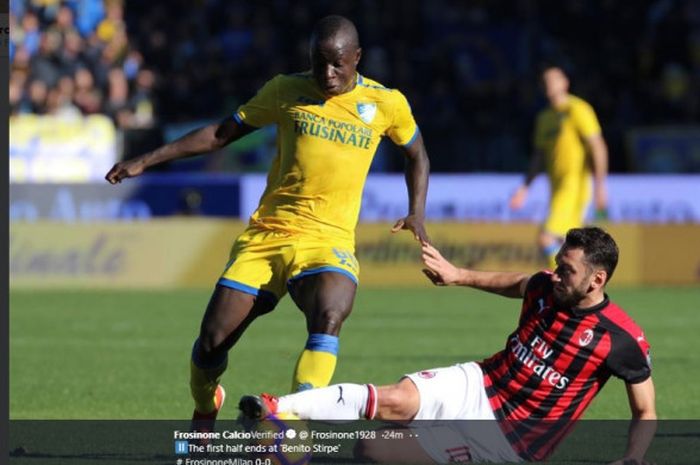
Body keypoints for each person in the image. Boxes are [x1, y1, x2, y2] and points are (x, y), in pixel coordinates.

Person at [105, 15, 430, 430]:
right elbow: (222, 134)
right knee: (210, 346)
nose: (327, 74)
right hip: (267, 236)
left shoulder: (387, 104)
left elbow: (417, 154)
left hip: (327, 240)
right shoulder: (285, 90)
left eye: (337, 64)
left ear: (358, 58)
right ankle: (207, 404)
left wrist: (417, 209)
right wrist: (146, 160)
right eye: (319, 63)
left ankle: (291, 423)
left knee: (331, 313)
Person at [239, 227, 656, 464]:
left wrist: (633, 458)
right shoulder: (547, 288)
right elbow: (518, 282)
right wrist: (457, 275)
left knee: (372, 450)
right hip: (479, 382)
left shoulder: (621, 340)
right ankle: (278, 408)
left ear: (596, 280)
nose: (555, 273)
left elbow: (645, 411)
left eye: (566, 269)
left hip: (508, 442)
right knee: (397, 399)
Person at [510, 65, 609, 269]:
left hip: (574, 186)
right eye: (545, 81)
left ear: (565, 83)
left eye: (554, 79)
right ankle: (578, 283)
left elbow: (597, 146)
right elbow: (539, 157)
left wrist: (600, 185)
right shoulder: (544, 118)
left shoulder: (578, 109)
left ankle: (561, 280)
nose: (549, 84)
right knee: (572, 245)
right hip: (556, 188)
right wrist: (525, 187)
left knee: (546, 239)